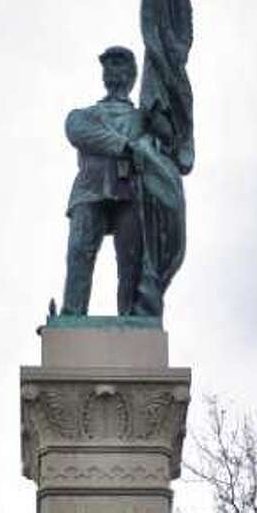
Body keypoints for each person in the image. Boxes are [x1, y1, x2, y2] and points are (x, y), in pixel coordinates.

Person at [61, 46, 149, 317]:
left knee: (131, 261)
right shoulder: (83, 115)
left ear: (132, 74)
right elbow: (78, 132)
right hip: (90, 189)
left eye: (118, 64)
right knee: (79, 253)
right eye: (108, 65)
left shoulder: (143, 119)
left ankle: (131, 318)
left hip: (129, 192)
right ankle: (73, 313)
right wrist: (124, 145)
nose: (112, 70)